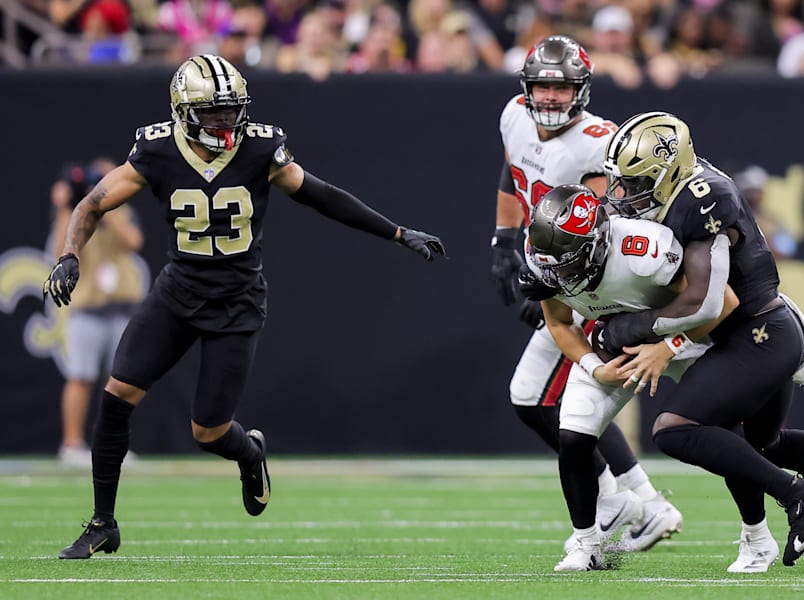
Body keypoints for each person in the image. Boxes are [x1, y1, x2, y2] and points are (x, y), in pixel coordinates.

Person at [44, 54, 446, 559]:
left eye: (231, 110)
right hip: (177, 292)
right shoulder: (157, 150)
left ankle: (249, 451)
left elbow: (321, 195)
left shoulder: (260, 148)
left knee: (207, 432)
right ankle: (103, 520)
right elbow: (91, 204)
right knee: (116, 395)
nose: (225, 122)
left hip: (235, 301)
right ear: (183, 112)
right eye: (212, 113)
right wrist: (68, 256)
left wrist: (396, 232)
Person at [596, 111, 804, 569]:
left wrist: (635, 334)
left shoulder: (702, 200)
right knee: (764, 443)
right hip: (760, 331)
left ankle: (799, 495)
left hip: (757, 333)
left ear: (669, 172)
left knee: (673, 430)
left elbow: (707, 303)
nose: (625, 196)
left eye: (636, 183)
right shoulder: (681, 188)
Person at [490, 35, 679, 552]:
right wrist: (506, 240)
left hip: (589, 285)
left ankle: (621, 500)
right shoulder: (514, 115)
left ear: (583, 89)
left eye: (562, 86)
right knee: (538, 398)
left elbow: (600, 231)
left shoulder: (600, 142)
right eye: (542, 86)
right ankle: (642, 503)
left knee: (533, 397)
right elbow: (514, 174)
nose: (549, 97)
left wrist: (554, 283)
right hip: (553, 268)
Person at [523, 184, 739, 571]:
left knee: (739, 436)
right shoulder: (548, 261)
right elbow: (558, 322)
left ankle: (757, 534)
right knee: (573, 434)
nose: (561, 275)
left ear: (598, 242)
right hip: (614, 343)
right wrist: (594, 366)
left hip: (682, 338)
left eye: (569, 263)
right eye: (553, 265)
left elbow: (714, 302)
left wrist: (667, 345)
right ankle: (587, 544)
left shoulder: (644, 248)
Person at [50, 159, 146, 469]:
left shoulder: (120, 209)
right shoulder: (76, 216)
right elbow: (57, 253)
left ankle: (116, 445)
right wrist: (69, 206)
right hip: (88, 309)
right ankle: (72, 444)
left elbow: (133, 241)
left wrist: (104, 201)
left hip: (121, 306)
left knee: (121, 381)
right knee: (80, 376)